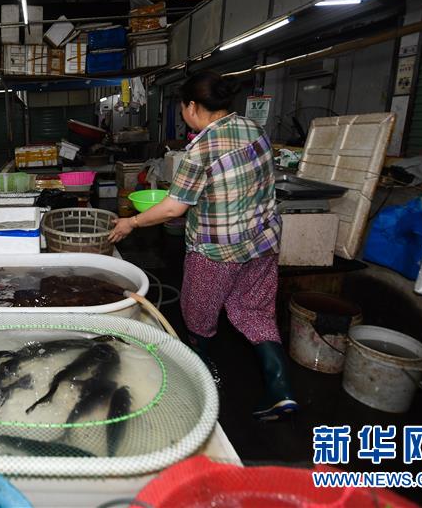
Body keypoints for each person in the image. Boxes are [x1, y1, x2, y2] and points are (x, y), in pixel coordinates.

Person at [108, 71, 297, 421]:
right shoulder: (255, 130)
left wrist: (130, 223)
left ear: (193, 106)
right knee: (255, 312)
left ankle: (204, 378)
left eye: (183, 108)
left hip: (216, 251)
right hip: (262, 243)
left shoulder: (202, 148)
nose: (184, 114)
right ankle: (282, 390)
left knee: (198, 314)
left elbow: (173, 208)